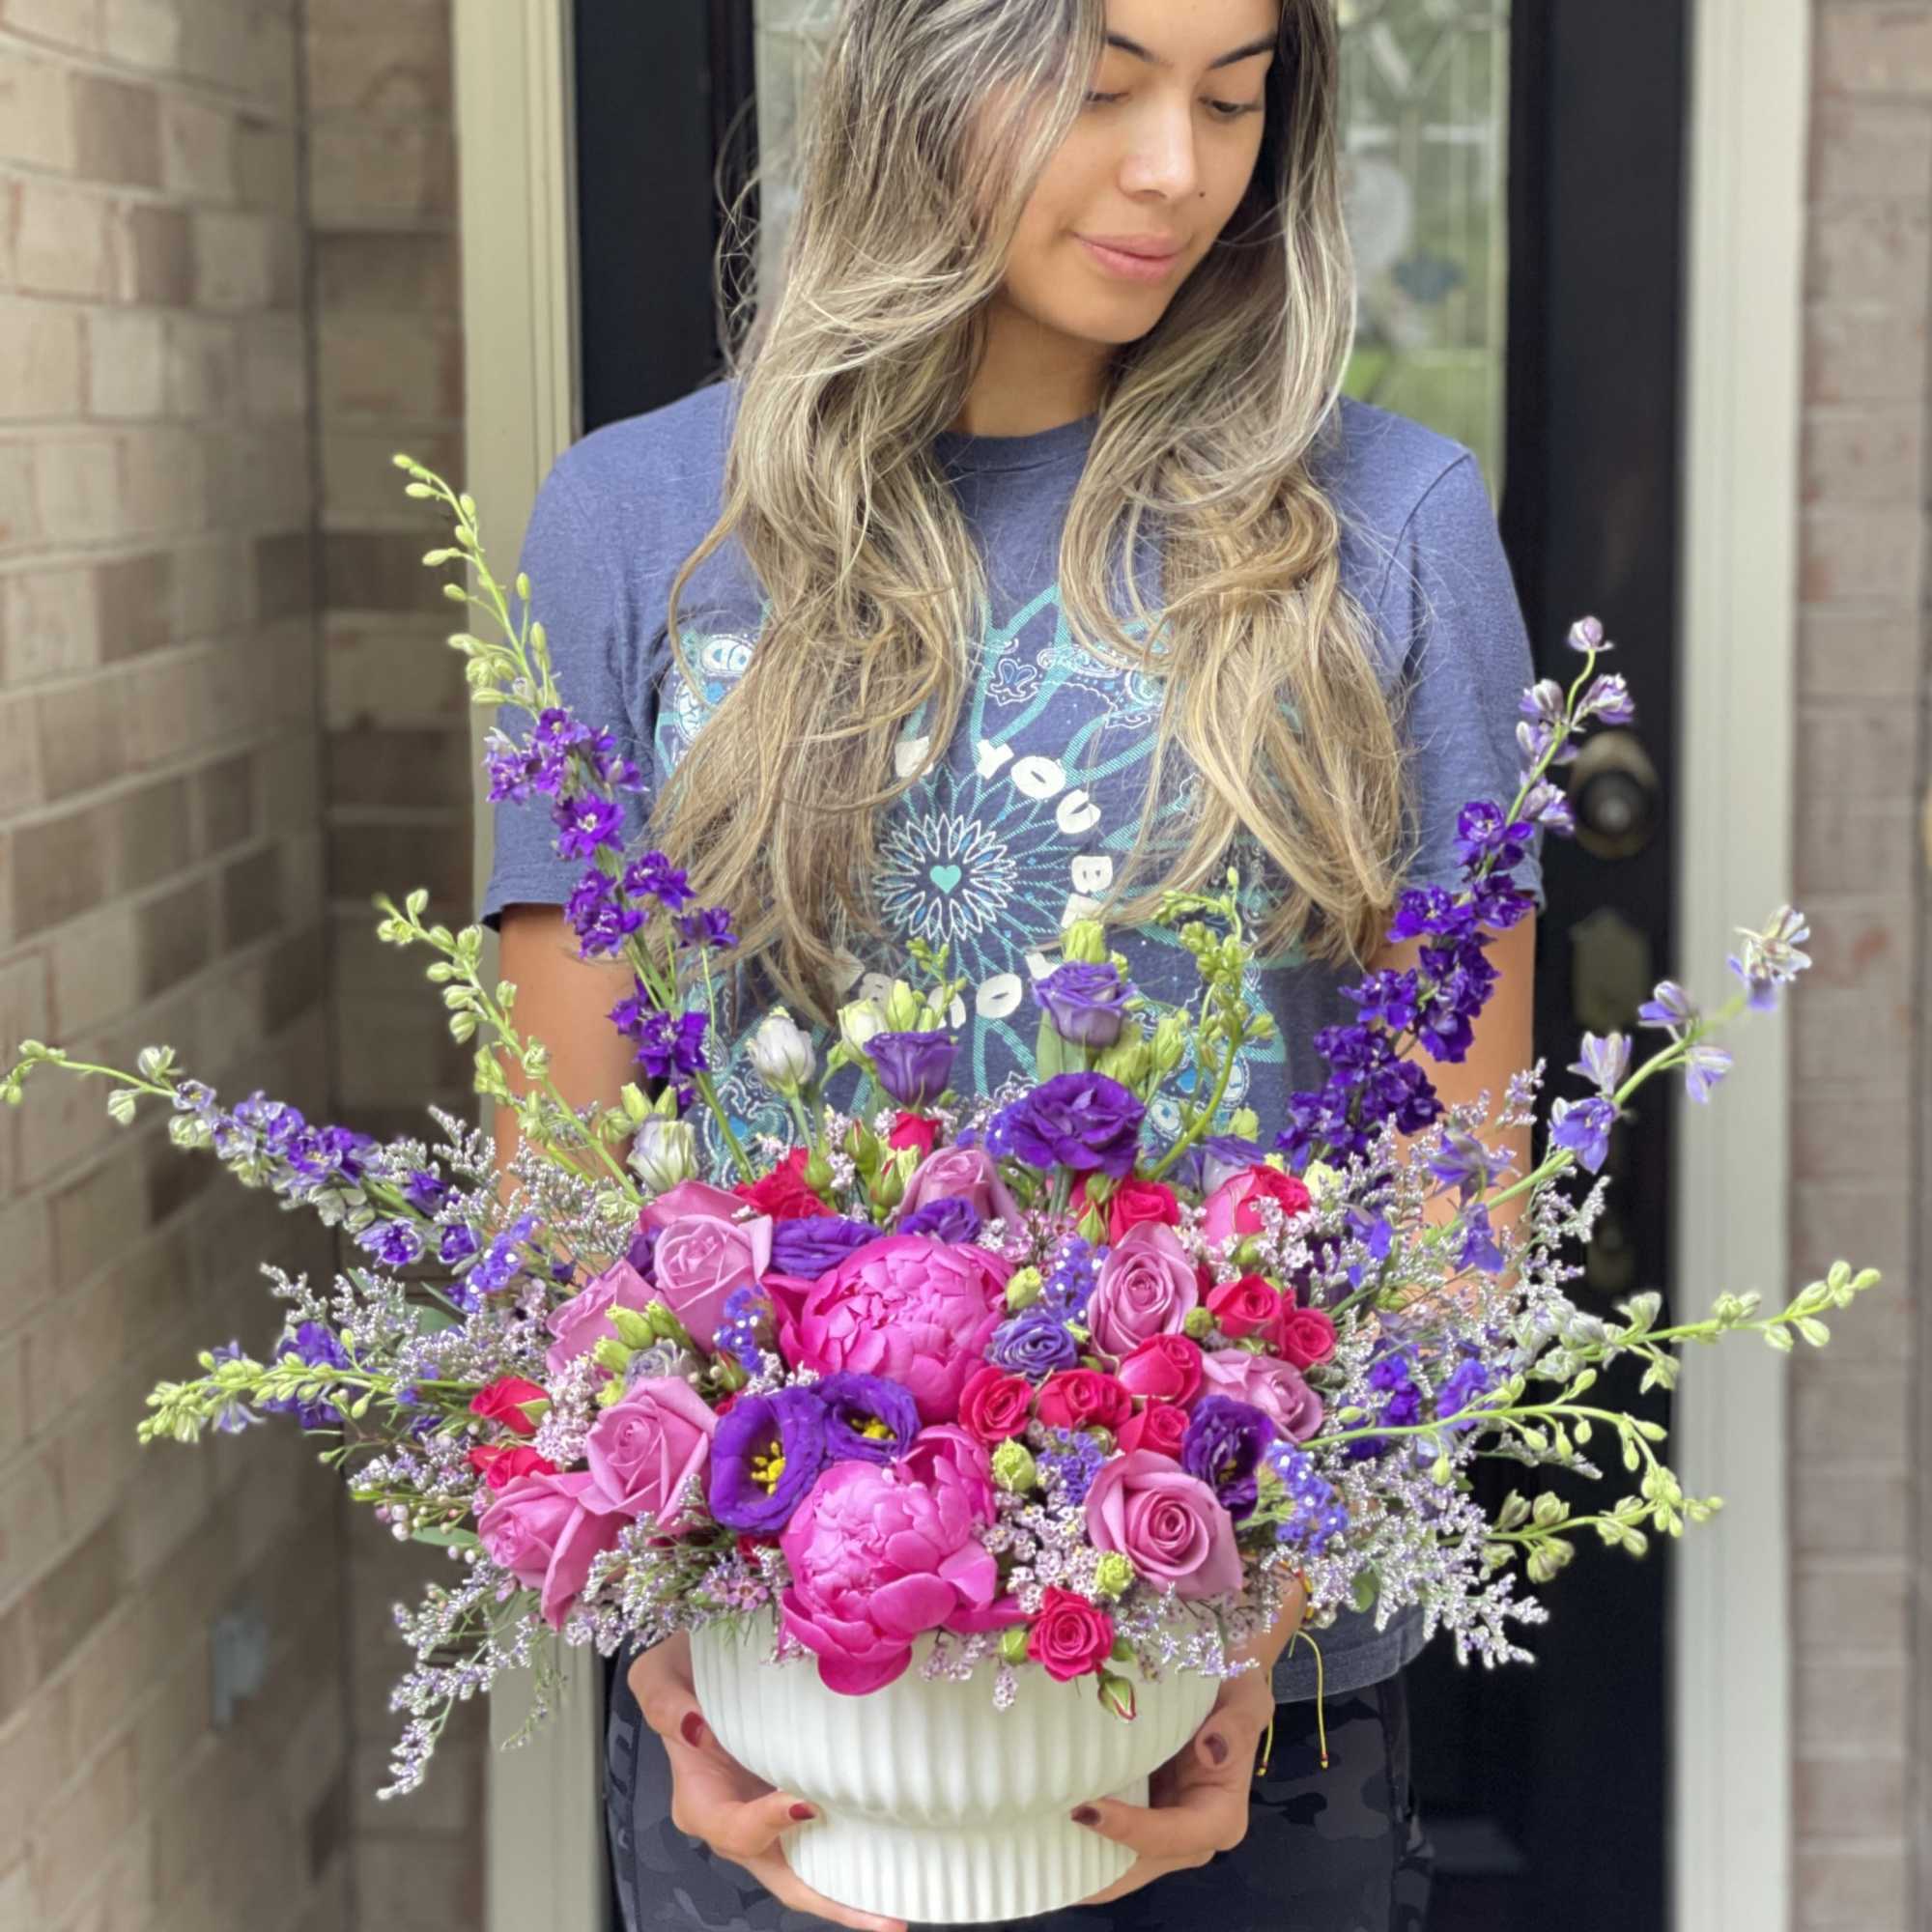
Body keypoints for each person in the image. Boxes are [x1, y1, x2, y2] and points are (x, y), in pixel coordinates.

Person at [480, 1, 1540, 1926]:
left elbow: (1458, 1167)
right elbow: (563, 1165)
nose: (1175, 169)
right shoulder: (640, 524)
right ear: (919, 76)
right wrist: (658, 1643)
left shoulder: (1378, 526)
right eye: (1103, 81)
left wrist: (1265, 1604)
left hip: (1242, 1739)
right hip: (775, 1728)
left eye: (1234, 101)